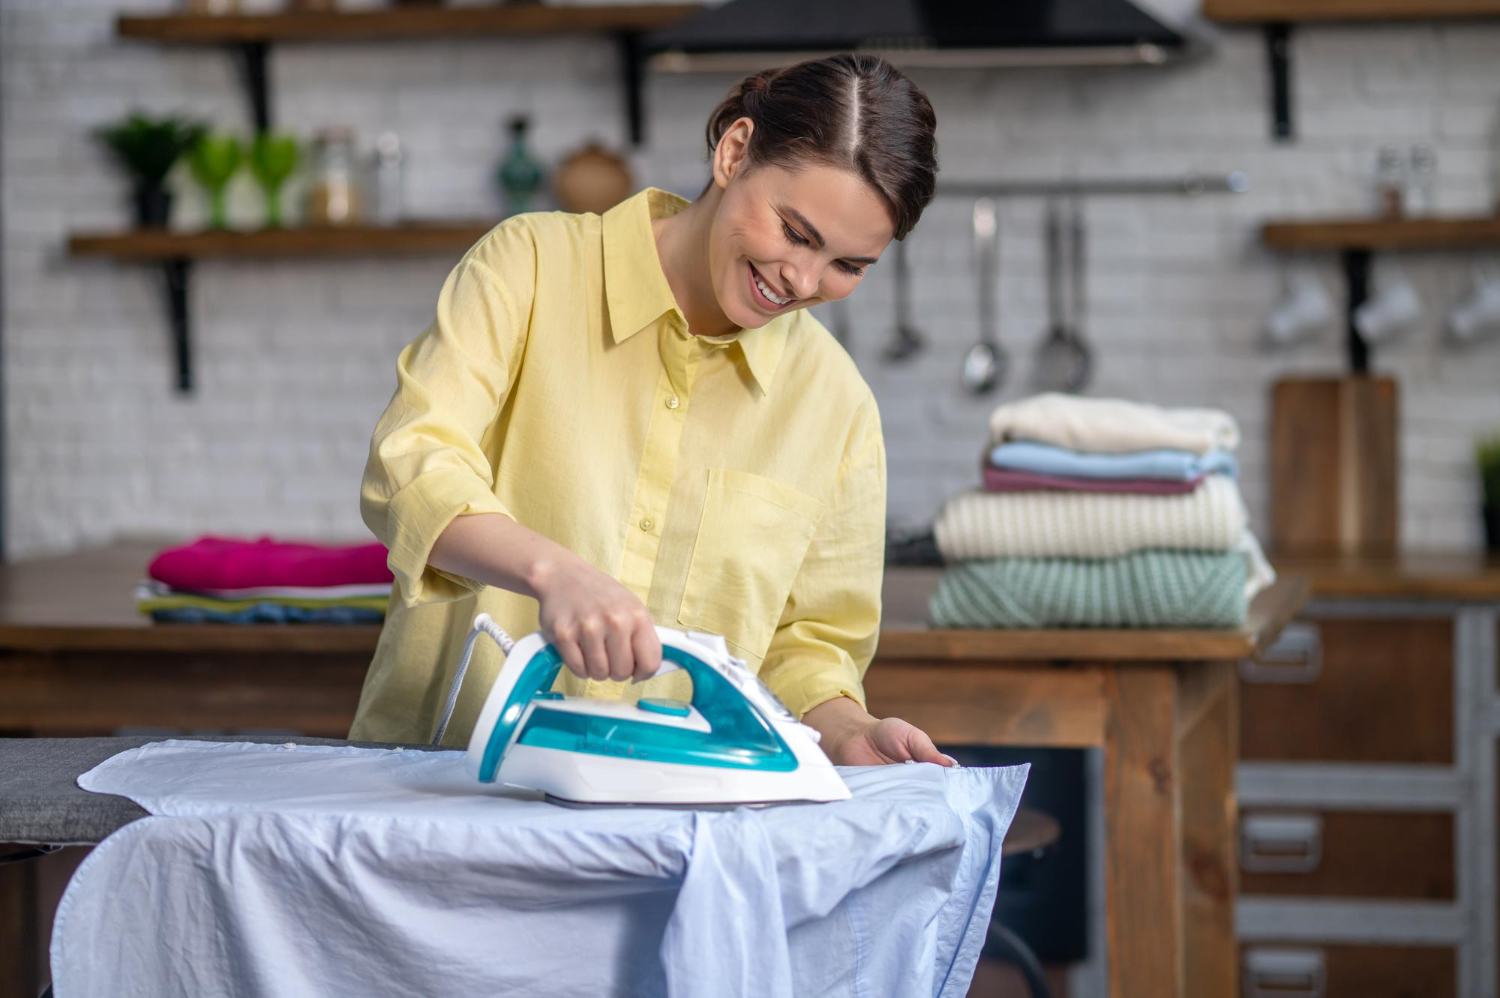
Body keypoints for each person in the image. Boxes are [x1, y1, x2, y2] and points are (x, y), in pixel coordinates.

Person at [350, 53, 951, 768]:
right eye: (795, 232)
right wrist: (551, 572)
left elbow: (807, 647)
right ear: (734, 152)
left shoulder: (837, 405)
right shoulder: (531, 268)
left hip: (681, 828)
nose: (803, 280)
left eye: (848, 266)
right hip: (445, 796)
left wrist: (851, 731)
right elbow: (412, 461)